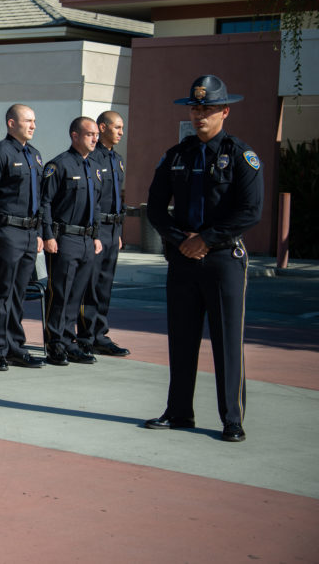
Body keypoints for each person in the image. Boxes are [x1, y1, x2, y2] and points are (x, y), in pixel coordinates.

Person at [145, 75, 263, 443]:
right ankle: (179, 411)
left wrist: (207, 240)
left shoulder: (241, 155)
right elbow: (155, 209)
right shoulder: (176, 155)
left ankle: (232, 419)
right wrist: (182, 241)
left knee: (227, 341)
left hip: (224, 259)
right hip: (183, 258)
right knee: (181, 338)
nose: (200, 116)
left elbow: (251, 211)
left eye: (207, 109)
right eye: (195, 109)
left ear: (225, 111)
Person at [0, 104, 46, 371]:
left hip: (29, 233)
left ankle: (16, 346)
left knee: (19, 293)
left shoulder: (35, 155)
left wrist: (39, 232)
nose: (33, 125)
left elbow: (39, 199)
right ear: (11, 123)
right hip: (6, 232)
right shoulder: (0, 153)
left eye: (34, 121)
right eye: (28, 120)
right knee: (1, 292)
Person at [40, 117, 103, 365]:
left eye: (96, 134)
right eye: (90, 134)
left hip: (86, 239)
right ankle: (55, 342)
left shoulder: (94, 167)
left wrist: (96, 235)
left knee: (76, 294)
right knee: (60, 292)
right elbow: (45, 203)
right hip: (64, 238)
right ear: (75, 136)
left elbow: (96, 205)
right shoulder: (59, 165)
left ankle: (68, 340)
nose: (95, 138)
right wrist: (47, 235)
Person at [77, 111, 131, 357]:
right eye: (117, 127)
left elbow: (117, 197)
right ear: (102, 127)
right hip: (97, 229)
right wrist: (95, 231)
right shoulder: (93, 157)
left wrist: (118, 232)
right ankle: (86, 336)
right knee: (91, 284)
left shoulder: (116, 159)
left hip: (113, 228)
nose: (121, 131)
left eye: (122, 127)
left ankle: (100, 334)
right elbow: (92, 199)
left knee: (105, 285)